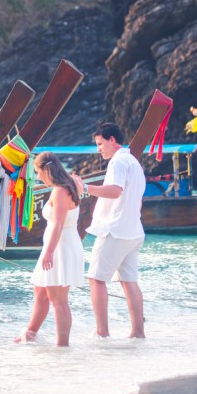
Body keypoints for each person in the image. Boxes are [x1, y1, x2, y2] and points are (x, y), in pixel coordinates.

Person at [75, 122, 146, 339]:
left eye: (100, 143)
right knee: (129, 281)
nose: (98, 149)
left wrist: (85, 188)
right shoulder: (134, 162)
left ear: (112, 140)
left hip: (115, 231)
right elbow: (137, 201)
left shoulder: (118, 162)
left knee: (95, 279)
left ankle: (102, 333)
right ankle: (137, 333)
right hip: (134, 231)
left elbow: (115, 191)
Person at [14, 151, 85, 346]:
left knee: (58, 300)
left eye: (38, 172)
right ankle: (30, 334)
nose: (38, 177)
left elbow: (58, 224)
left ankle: (63, 345)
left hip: (60, 247)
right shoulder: (72, 183)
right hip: (63, 244)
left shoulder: (60, 191)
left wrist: (48, 252)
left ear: (46, 170)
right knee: (40, 291)